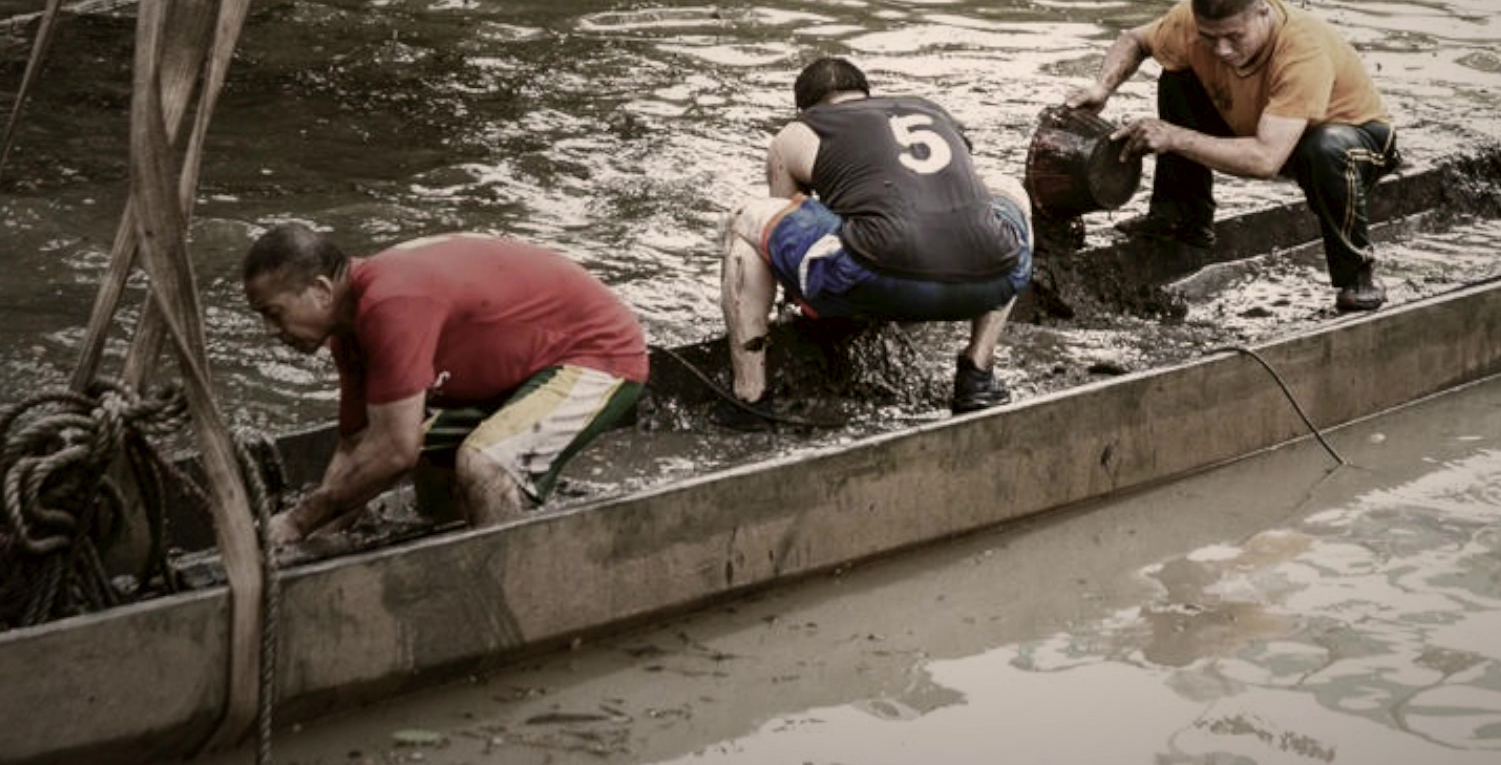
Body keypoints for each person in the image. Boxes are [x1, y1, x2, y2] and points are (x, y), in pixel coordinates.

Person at [241, 225, 650, 544]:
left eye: (274, 313)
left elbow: (394, 450)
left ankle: (506, 585)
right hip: (519, 365)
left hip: (598, 353)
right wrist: (314, 538)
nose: (269, 331)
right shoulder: (349, 334)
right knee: (425, 455)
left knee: (483, 466)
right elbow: (356, 445)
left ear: (321, 290)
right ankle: (452, 539)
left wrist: (297, 521)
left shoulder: (390, 305)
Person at [1065, 0, 1399, 312]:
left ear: (1262, 14)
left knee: (1326, 148)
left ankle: (1358, 275)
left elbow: (1265, 161)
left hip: (1355, 143)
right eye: (1210, 38)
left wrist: (1174, 137)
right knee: (1177, 77)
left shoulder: (1302, 50)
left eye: (1234, 37)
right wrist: (1102, 88)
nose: (1222, 49)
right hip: (1267, 125)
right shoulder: (1188, 24)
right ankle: (1182, 218)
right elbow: (1135, 40)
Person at [719, 57, 1034, 425]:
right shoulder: (930, 110)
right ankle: (977, 373)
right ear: (866, 95)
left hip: (877, 272)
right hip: (994, 278)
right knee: (1009, 190)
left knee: (745, 221)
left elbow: (781, 227)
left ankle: (750, 397)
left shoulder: (800, 129)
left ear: (803, 109)